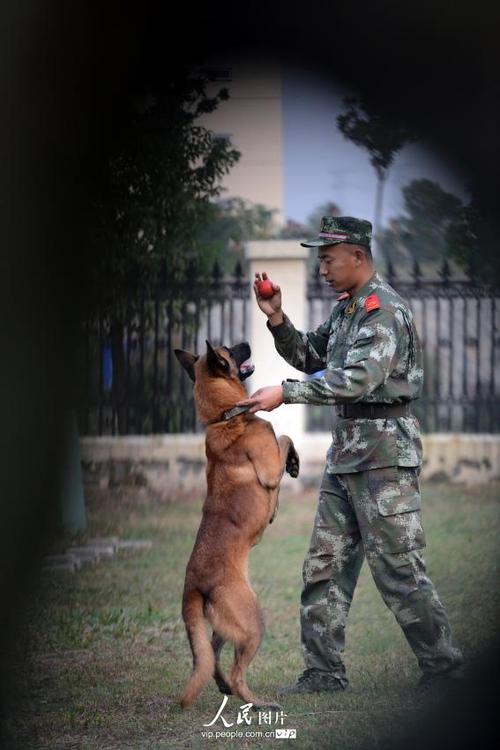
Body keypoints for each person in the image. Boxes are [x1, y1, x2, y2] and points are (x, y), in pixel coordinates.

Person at [236, 215, 464, 696]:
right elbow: (312, 356)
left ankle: (445, 671)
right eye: (318, 258)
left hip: (385, 455)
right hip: (347, 453)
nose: (321, 267)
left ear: (358, 257)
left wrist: (287, 394)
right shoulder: (346, 311)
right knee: (325, 564)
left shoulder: (383, 312)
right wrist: (276, 317)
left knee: (399, 568)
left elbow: (358, 378)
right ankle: (323, 673)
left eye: (328, 258)